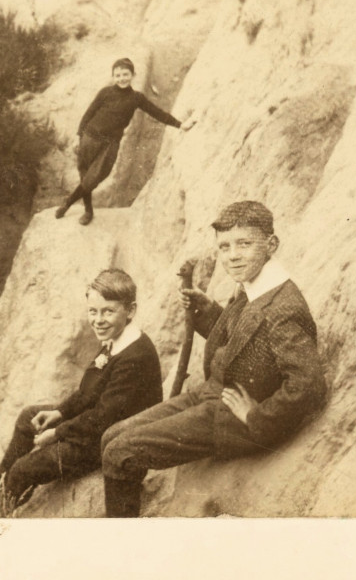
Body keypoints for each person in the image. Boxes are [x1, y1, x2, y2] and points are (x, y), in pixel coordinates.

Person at [100, 201, 327, 517]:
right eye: (224, 247)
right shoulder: (253, 286)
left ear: (270, 244)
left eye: (244, 244)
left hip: (232, 419)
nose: (232, 255)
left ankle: (122, 541)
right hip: (211, 393)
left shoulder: (283, 307)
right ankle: (128, 511)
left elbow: (310, 384)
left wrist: (256, 416)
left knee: (119, 452)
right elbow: (243, 343)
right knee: (112, 435)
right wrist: (204, 312)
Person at [0, 268, 163, 512]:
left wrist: (58, 433)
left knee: (24, 468)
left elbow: (103, 418)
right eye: (93, 311)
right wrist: (60, 413)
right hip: (98, 425)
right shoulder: (114, 339)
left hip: (110, 439)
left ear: (130, 311)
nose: (98, 319)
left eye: (108, 311)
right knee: (29, 417)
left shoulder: (134, 354)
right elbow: (88, 392)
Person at [55, 57, 195, 225]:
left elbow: (157, 113)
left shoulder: (136, 98)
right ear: (113, 76)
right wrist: (79, 137)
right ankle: (88, 210)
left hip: (110, 144)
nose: (122, 78)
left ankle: (68, 202)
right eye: (118, 75)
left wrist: (181, 125)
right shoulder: (105, 92)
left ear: (133, 75)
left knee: (94, 178)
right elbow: (88, 114)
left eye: (125, 74)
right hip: (89, 138)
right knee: (85, 177)